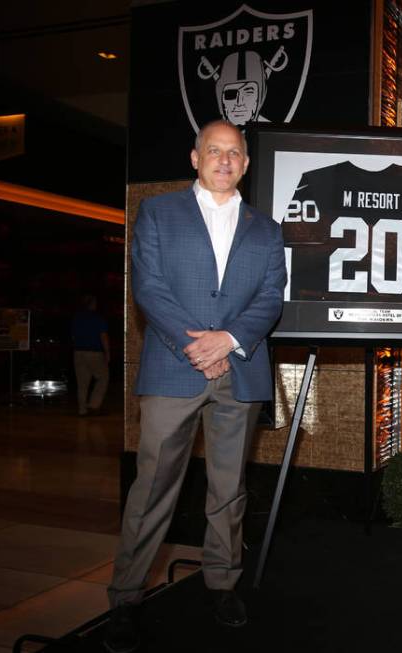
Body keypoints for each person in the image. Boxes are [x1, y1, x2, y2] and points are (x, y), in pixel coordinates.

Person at [103, 120, 286, 653]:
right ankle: (125, 599)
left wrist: (227, 340)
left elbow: (271, 297)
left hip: (241, 369)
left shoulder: (267, 228)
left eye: (234, 153)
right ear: (194, 156)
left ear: (246, 164)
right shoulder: (159, 212)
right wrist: (197, 346)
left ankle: (223, 584)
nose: (224, 160)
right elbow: (149, 286)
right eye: (214, 150)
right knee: (152, 488)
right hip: (172, 368)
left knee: (228, 491)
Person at [71, 294, 109, 416]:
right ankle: (93, 404)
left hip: (78, 353)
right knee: (103, 377)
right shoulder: (97, 318)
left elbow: (73, 336)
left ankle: (82, 410)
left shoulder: (76, 318)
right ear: (92, 304)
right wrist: (107, 352)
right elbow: (103, 337)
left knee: (82, 383)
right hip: (94, 353)